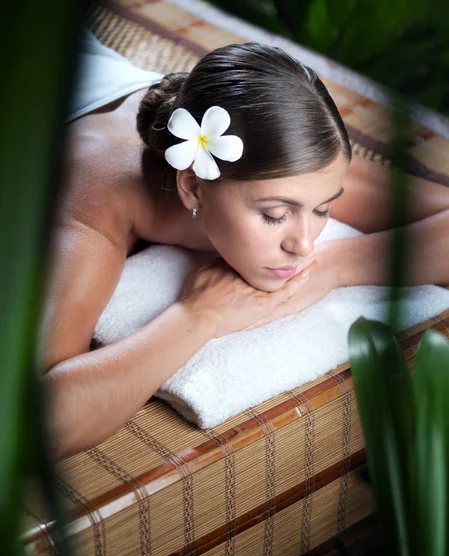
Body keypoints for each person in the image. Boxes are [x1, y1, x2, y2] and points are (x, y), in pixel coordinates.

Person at [39, 30, 449, 460]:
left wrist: (335, 267)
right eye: (275, 215)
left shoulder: (279, 154)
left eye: (324, 209)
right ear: (193, 187)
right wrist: (197, 315)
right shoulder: (94, 204)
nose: (304, 244)